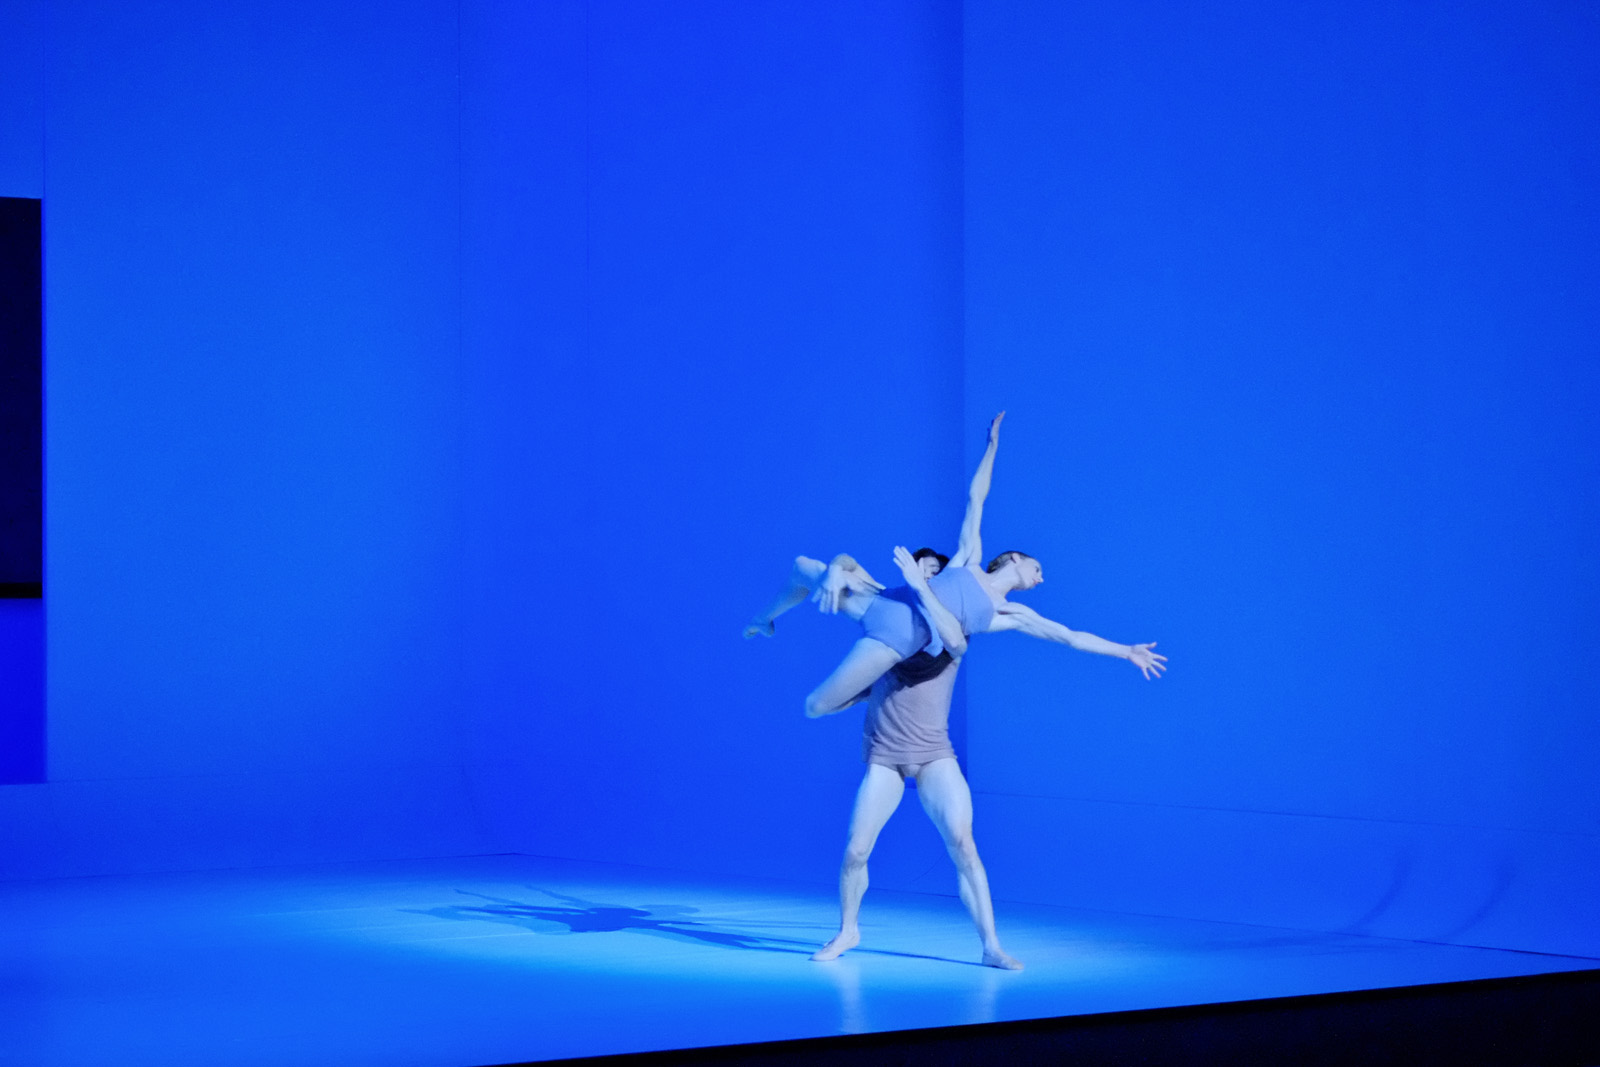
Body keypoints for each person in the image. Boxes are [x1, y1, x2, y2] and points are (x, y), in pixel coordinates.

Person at [743, 413, 1166, 719]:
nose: (1041, 578)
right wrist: (993, 448)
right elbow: (976, 500)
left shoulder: (1009, 613)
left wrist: (1124, 651)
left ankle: (876, 687)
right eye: (1038, 568)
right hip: (881, 603)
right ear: (1015, 558)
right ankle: (764, 620)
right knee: (803, 566)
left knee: (814, 707)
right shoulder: (968, 560)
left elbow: (1071, 637)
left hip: (892, 642)